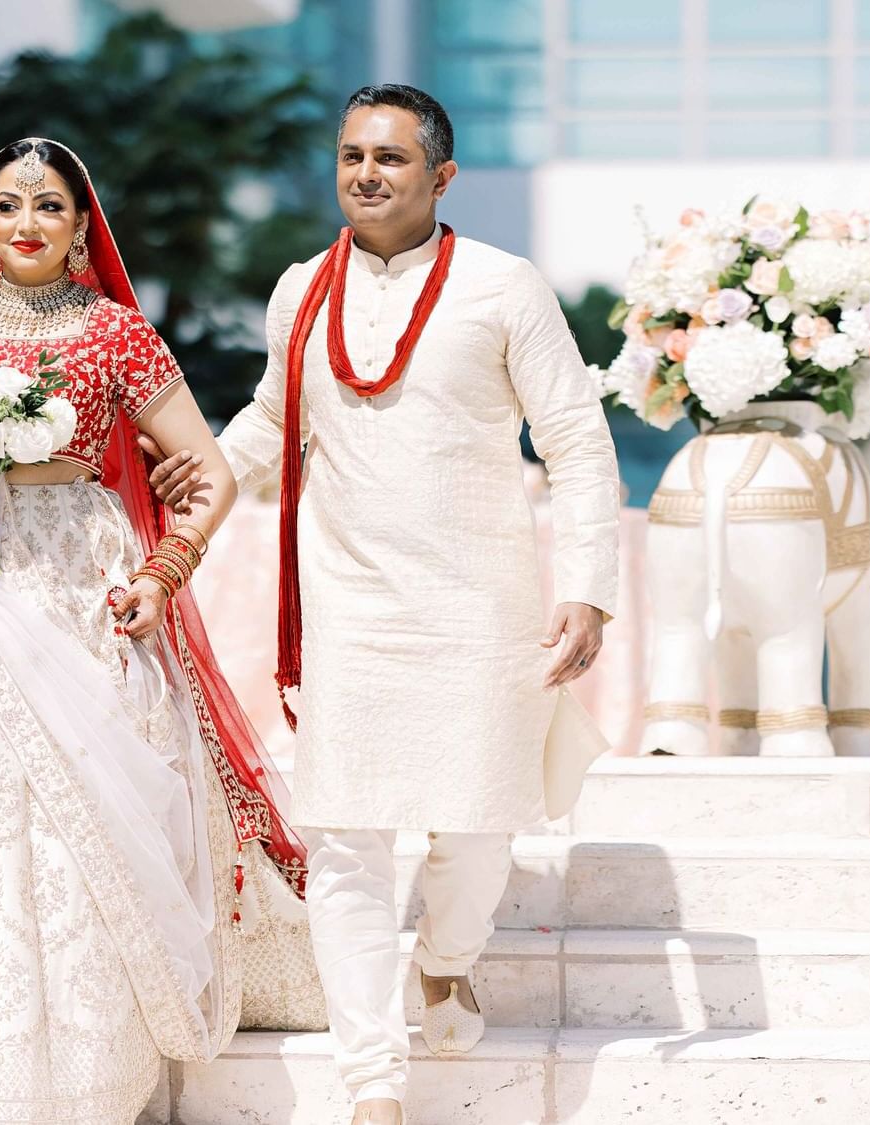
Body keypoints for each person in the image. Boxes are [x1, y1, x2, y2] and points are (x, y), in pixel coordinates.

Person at [0, 139, 309, 1124]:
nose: (23, 222)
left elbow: (207, 473)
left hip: (81, 578)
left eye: (47, 207)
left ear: (81, 230)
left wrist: (161, 576)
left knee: (80, 802)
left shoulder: (115, 333)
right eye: (5, 205)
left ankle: (86, 1054)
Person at [145, 85, 621, 1123]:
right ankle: (372, 1084)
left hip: (478, 605)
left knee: (477, 827)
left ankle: (447, 958)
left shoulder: (503, 286)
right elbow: (270, 419)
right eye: (351, 154)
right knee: (345, 843)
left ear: (440, 177)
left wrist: (584, 588)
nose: (365, 173)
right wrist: (175, 501)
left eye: (390, 158)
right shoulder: (298, 290)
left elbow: (576, 441)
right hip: (349, 606)